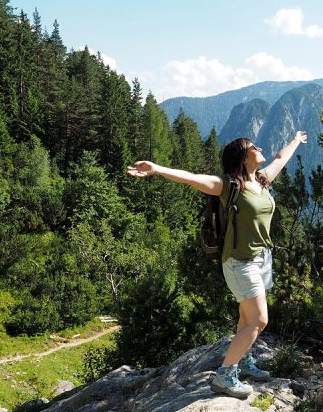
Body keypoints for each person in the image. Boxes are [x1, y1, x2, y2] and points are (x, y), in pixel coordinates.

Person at [126, 130, 308, 398]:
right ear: (241, 157)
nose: (258, 147)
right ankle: (224, 376)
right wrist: (156, 169)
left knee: (246, 318)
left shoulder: (262, 180)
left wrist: (295, 139)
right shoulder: (228, 185)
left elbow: (281, 157)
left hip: (261, 259)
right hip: (239, 262)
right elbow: (192, 178)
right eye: (251, 147)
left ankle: (244, 362)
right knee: (259, 320)